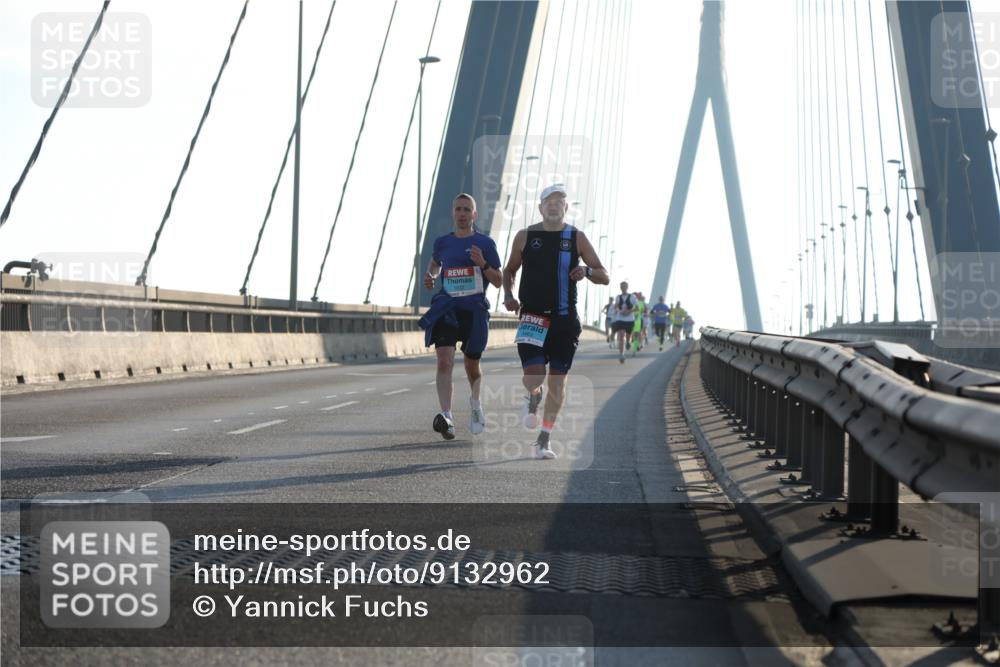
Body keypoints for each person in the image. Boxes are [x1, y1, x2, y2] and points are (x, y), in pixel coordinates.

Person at [502, 184, 609, 460]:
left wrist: (586, 270)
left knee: (558, 383)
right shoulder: (525, 236)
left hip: (564, 320)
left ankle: (544, 439)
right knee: (533, 375)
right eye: (548, 201)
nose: (553, 205)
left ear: (566, 208)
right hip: (532, 317)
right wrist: (509, 295)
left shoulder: (576, 237)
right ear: (540, 207)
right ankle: (533, 395)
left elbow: (603, 275)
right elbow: (509, 270)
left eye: (559, 201)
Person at [418, 193, 502, 440]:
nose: (463, 213)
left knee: (471, 365)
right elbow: (435, 264)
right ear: (453, 213)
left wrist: (483, 264)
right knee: (444, 360)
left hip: (474, 311)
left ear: (474, 215)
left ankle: (475, 405)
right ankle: (448, 417)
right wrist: (432, 276)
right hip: (446, 308)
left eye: (467, 209)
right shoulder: (442, 242)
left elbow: (498, 281)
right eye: (458, 209)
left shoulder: (485, 244)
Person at [611, 282, 636, 364]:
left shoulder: (632, 297)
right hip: (620, 319)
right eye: (621, 286)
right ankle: (622, 355)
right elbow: (616, 306)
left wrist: (628, 311)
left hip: (629, 319)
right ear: (620, 287)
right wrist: (619, 311)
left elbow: (637, 308)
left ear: (627, 287)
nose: (623, 288)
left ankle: (628, 341)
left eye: (624, 286)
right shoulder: (618, 297)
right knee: (621, 335)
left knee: (628, 336)